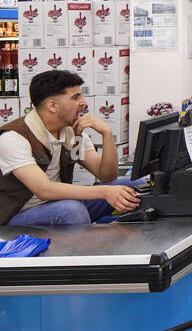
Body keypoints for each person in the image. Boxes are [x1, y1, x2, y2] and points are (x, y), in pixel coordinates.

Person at [0, 70, 140, 227]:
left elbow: (107, 175)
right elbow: (43, 190)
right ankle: (88, 251)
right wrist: (105, 192)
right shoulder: (13, 138)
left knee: (136, 186)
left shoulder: (71, 132)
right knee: (71, 210)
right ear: (52, 105)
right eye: (75, 97)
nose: (84, 102)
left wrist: (106, 134)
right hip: (17, 215)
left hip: (61, 203)